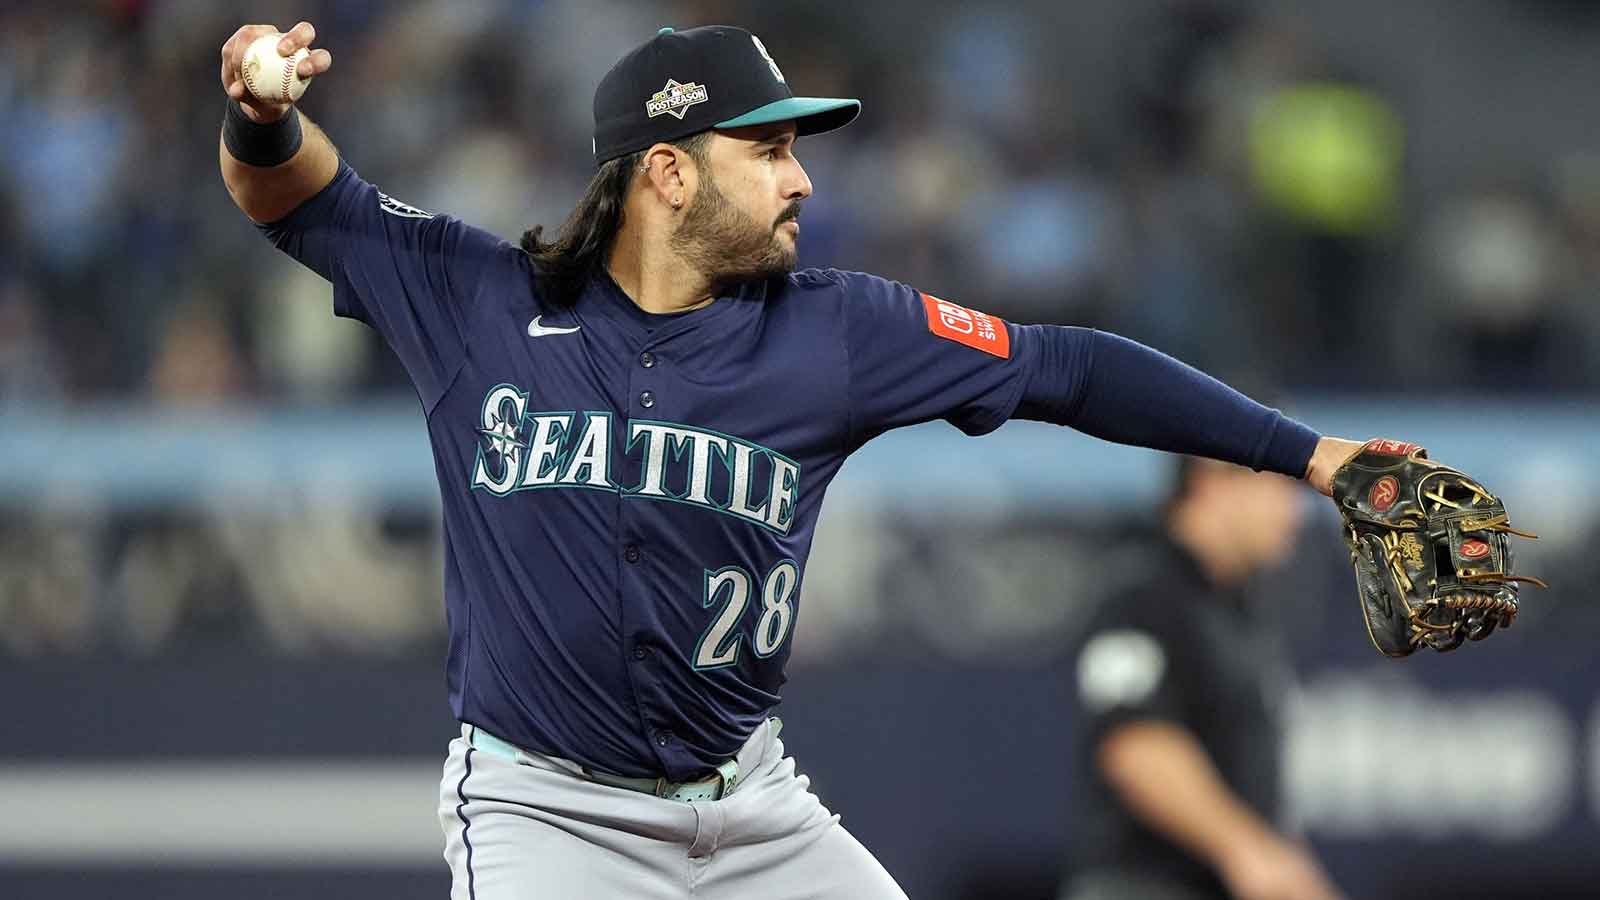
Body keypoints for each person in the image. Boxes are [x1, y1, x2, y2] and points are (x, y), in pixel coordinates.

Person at [219, 20, 1374, 899]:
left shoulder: (833, 329)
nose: (801, 177)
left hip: (755, 813)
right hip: (547, 816)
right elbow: (302, 202)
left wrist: (1311, 459)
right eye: (766, 149)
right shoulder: (477, 305)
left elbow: (1065, 367)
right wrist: (261, 119)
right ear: (667, 171)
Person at [1062, 457, 1344, 900]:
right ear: (1213, 479)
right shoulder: (1141, 591)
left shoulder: (1238, 612)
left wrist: (1283, 863)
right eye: (1282, 488)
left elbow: (1253, 794)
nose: (1293, 512)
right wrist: (1245, 849)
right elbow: (1134, 744)